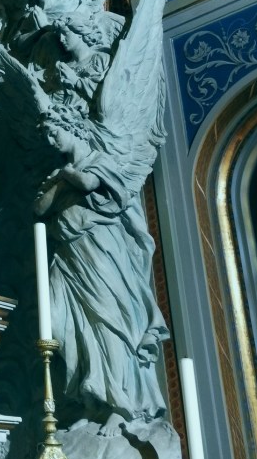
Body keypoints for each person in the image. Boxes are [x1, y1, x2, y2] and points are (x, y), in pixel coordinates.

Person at [35, 104, 168, 437]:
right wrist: (61, 181)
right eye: (47, 135)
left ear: (73, 128)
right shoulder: (63, 173)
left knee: (108, 323)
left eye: (54, 132)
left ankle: (119, 407)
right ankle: (93, 403)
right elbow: (38, 207)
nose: (50, 141)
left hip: (101, 252)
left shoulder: (99, 160)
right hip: (70, 257)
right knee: (66, 325)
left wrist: (64, 177)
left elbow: (90, 183)